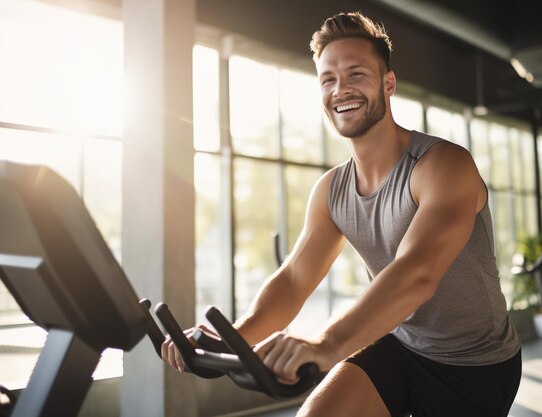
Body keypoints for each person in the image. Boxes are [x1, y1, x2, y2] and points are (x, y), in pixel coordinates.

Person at [162, 11, 521, 417]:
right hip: (400, 346)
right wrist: (235, 339)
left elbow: (418, 272)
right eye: (328, 79)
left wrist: (327, 345)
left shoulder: (442, 166)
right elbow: (295, 280)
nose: (340, 89)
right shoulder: (332, 190)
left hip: (475, 364)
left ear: (388, 84)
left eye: (356, 74)